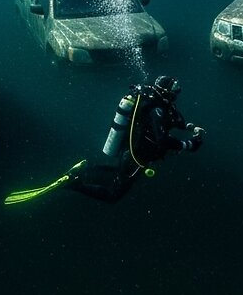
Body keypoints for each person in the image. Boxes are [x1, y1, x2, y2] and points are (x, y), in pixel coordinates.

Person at [67, 74, 204, 204]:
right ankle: (74, 184)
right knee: (114, 194)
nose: (177, 92)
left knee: (117, 172)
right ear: (165, 91)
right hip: (136, 157)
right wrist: (188, 144)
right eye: (174, 89)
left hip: (133, 151)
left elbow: (175, 119)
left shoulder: (160, 104)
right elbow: (162, 140)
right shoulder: (157, 109)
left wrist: (189, 127)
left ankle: (84, 171)